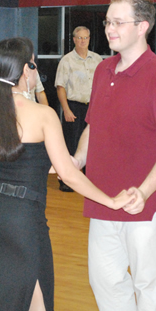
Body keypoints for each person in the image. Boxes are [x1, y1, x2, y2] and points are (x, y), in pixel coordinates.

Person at [0, 37, 135, 311]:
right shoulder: (43, 115)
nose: (36, 73)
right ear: (24, 70)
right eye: (34, 66)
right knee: (38, 308)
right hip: (22, 219)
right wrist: (111, 201)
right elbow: (67, 174)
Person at [73, 0, 156, 311]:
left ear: (143, 27)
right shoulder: (102, 70)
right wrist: (77, 159)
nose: (110, 28)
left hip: (145, 206)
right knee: (105, 282)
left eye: (118, 22)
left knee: (148, 287)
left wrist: (144, 191)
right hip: (103, 200)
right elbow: (94, 126)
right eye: (108, 21)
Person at [54, 26, 102, 192]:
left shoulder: (97, 60)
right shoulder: (67, 60)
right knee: (72, 144)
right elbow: (60, 87)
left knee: (94, 144)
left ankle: (92, 180)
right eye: (79, 38)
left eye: (86, 38)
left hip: (94, 108)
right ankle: (67, 180)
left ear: (89, 39)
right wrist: (66, 110)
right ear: (74, 39)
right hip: (74, 106)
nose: (83, 41)